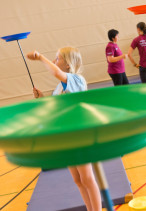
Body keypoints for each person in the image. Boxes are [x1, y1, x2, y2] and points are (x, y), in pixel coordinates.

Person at [27, 47, 102, 211]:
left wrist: (40, 57)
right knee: (78, 180)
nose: (55, 61)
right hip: (66, 137)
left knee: (87, 178)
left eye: (58, 58)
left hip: (80, 135)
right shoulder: (59, 87)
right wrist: (43, 98)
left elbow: (55, 72)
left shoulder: (76, 79)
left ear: (68, 64)